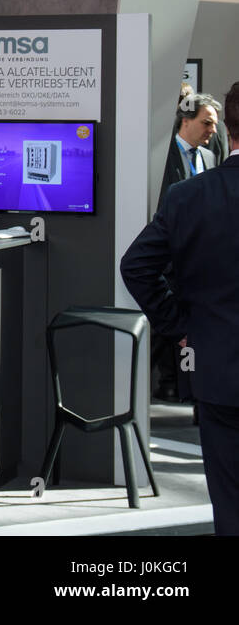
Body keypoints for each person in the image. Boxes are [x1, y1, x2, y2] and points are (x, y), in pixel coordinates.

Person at [122, 81, 239, 535]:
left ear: (228, 127)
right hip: (215, 367)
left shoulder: (189, 196)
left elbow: (136, 267)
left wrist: (180, 324)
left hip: (217, 371)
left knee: (228, 502)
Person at [152, 92, 220, 401]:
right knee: (166, 329)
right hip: (169, 260)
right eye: (206, 123)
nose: (212, 131)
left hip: (200, 263)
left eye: (215, 124)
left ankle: (183, 387)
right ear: (185, 121)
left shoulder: (207, 157)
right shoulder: (160, 156)